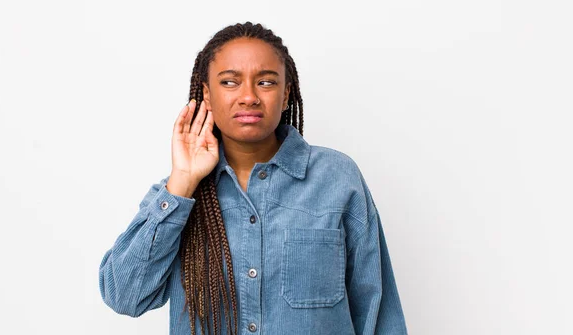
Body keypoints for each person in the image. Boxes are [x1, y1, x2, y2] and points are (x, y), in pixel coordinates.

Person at [99, 21, 408, 335]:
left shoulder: (337, 178)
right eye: (230, 82)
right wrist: (182, 181)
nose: (248, 97)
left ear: (286, 93)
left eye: (266, 82)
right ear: (207, 93)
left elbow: (378, 311)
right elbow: (125, 296)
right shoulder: (180, 193)